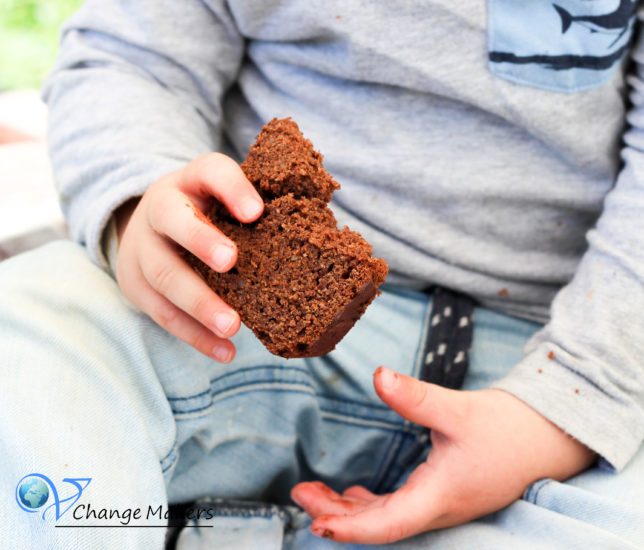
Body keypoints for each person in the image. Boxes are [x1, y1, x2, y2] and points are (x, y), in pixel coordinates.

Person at [1, 1, 643, 548]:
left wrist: (560, 410)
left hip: (564, 364)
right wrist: (140, 203)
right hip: (232, 325)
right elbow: (131, 57)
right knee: (36, 338)